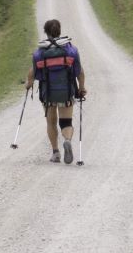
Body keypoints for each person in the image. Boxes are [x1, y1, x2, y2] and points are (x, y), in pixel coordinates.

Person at [25, 19, 87, 163]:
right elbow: (80, 72)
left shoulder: (40, 53)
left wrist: (28, 84)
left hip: (47, 94)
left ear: (46, 32)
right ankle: (67, 140)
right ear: (59, 30)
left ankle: (56, 153)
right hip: (66, 93)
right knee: (66, 122)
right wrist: (81, 88)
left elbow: (32, 72)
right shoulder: (71, 50)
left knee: (51, 123)